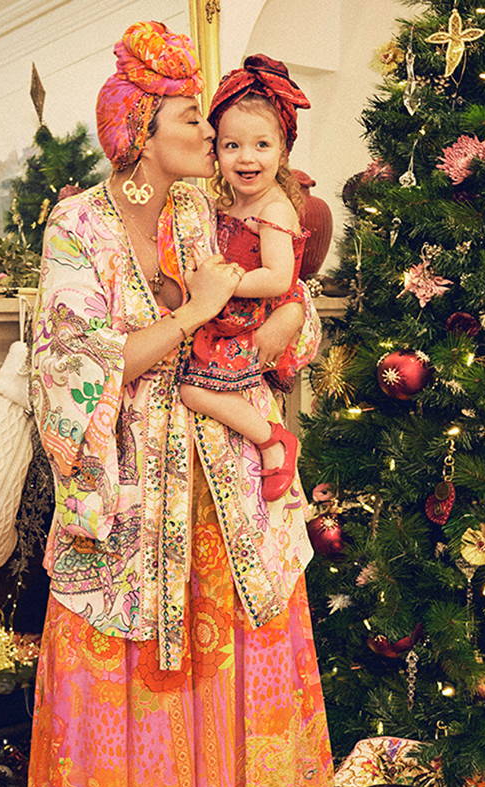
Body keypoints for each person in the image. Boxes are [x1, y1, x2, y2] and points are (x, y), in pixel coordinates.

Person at [12, 21, 333, 787]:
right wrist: (191, 312)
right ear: (144, 128)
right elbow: (72, 363)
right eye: (196, 117)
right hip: (125, 488)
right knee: (91, 662)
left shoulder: (212, 210)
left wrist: (289, 326)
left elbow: (279, 304)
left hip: (225, 475)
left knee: (244, 644)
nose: (212, 132)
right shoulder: (76, 224)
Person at [178, 56, 310, 503]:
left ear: (283, 151)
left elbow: (277, 278)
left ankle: (274, 441)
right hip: (226, 319)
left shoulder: (274, 208)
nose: (246, 157)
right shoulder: (223, 205)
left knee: (193, 389)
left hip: (250, 324)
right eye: (232, 145)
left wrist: (221, 286)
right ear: (215, 152)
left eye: (261, 145)